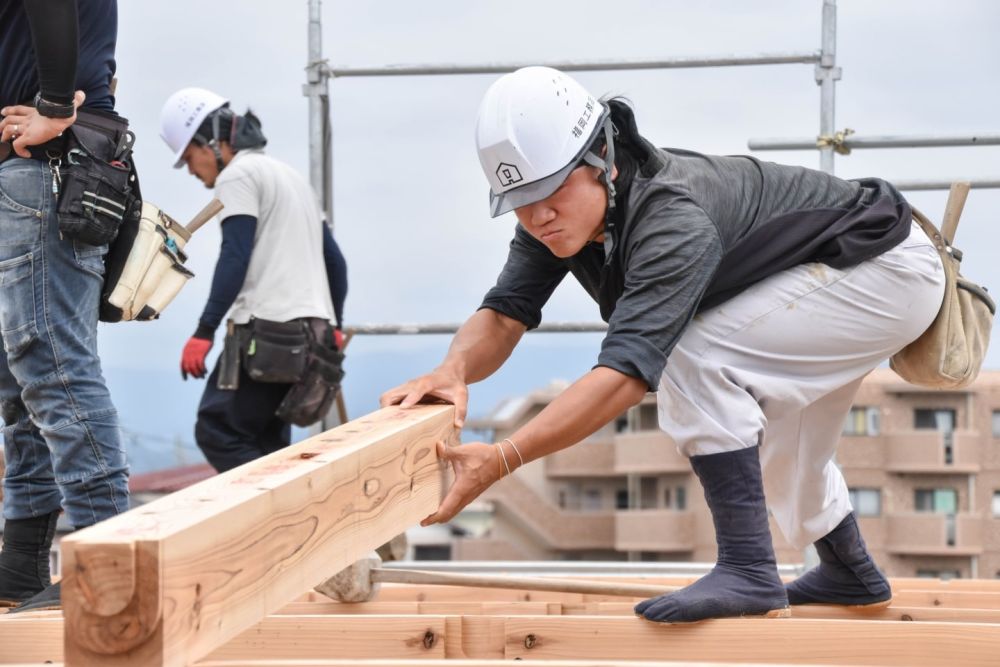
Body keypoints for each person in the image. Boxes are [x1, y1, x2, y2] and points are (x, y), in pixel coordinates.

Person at [382, 67, 946, 623]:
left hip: (882, 269)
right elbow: (506, 313)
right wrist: (453, 369)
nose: (538, 215)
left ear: (601, 156)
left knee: (692, 351)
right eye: (519, 199)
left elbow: (628, 373)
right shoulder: (553, 222)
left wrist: (505, 457)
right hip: (843, 272)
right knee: (778, 433)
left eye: (551, 190)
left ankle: (749, 569)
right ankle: (849, 572)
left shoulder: (673, 217)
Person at [0, 0, 130, 612]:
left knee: (53, 368)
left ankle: (110, 573)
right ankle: (21, 568)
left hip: (46, 167)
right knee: (23, 383)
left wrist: (54, 106)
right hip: (42, 170)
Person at [159, 88, 348, 473]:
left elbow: (235, 255)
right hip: (312, 335)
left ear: (210, 142)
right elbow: (335, 262)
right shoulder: (292, 178)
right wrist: (335, 326)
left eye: (189, 158)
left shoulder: (238, 176)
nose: (193, 171)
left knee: (218, 430)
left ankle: (276, 515)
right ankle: (285, 529)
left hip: (268, 333)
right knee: (266, 442)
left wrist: (204, 330)